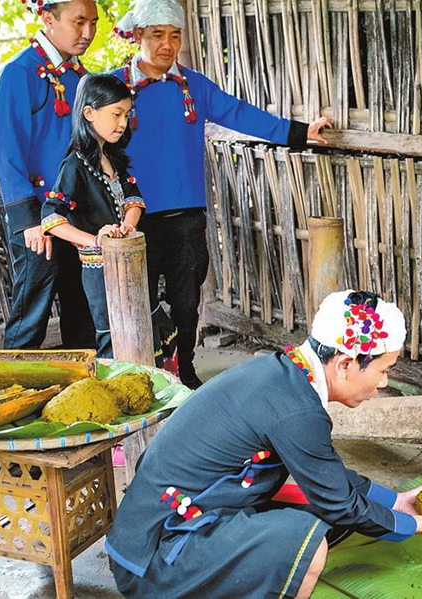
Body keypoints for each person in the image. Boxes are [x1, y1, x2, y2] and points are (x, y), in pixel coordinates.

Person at [106, 290, 422, 598]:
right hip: (154, 558)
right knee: (306, 542)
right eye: (383, 369)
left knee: (325, 510)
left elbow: (324, 472)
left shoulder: (285, 376)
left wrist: (397, 502)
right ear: (345, 364)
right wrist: (413, 526)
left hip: (152, 538)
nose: (384, 382)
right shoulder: (297, 409)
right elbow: (339, 502)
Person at [109, 0, 333, 389]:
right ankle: (144, 371)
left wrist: (299, 132)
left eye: (175, 35)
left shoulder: (193, 86)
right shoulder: (116, 87)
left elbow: (240, 113)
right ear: (138, 36)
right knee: (138, 300)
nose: (167, 44)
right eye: (158, 35)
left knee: (186, 301)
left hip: (187, 215)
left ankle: (187, 367)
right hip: (134, 216)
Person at [0, 0, 98, 350]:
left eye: (93, 23)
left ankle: (79, 395)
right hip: (38, 215)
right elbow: (4, 153)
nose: (88, 33)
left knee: (83, 308)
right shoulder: (18, 74)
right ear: (48, 18)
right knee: (31, 310)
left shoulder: (80, 76)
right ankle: (8, 395)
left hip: (76, 214)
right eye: (79, 22)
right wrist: (28, 221)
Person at [40, 74, 144, 358]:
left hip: (126, 262)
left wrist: (127, 226)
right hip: (99, 271)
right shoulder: (75, 165)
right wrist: (96, 241)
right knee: (110, 334)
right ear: (89, 113)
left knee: (135, 329)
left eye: (126, 114)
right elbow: (51, 217)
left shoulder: (113, 158)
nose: (123, 122)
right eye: (116, 114)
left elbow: (134, 200)